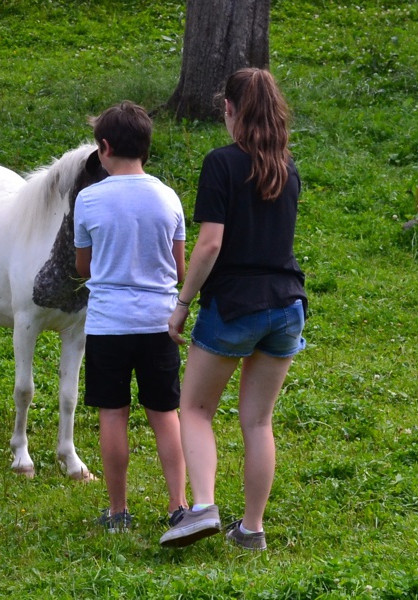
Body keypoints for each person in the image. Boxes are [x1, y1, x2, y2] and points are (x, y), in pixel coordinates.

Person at [159, 68, 306, 551]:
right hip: (287, 306)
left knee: (196, 408)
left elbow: (210, 246)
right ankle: (251, 530)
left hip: (236, 307)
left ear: (229, 110)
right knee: (258, 421)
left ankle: (201, 508)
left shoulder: (220, 164)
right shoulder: (288, 168)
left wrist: (182, 305)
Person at [73, 101, 189, 532]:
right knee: (165, 414)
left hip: (108, 325)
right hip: (160, 321)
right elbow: (179, 268)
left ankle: (118, 510)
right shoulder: (167, 196)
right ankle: (179, 505)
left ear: (104, 147)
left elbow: (84, 267)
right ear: (146, 147)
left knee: (113, 413)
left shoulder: (89, 199)